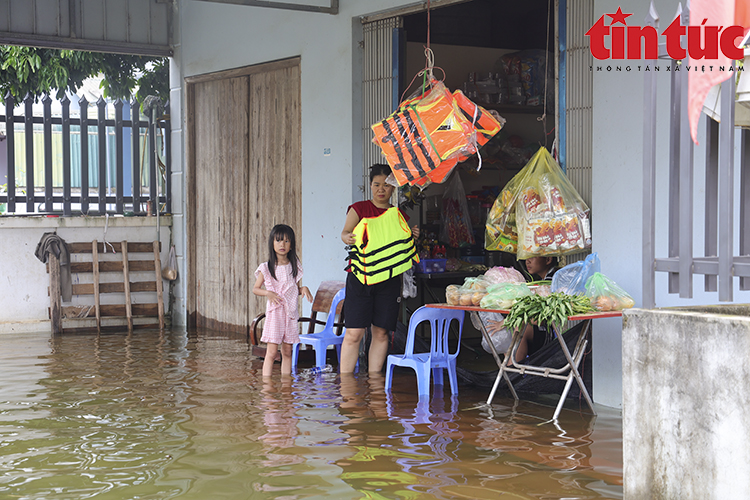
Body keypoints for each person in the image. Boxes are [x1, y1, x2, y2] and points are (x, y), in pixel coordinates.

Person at [339, 164, 420, 374]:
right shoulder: (359, 208)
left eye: (386, 185)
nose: (381, 189)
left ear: (393, 188)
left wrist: (412, 235)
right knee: (354, 333)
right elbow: (345, 232)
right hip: (360, 279)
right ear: (370, 186)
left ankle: (374, 382)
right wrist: (347, 236)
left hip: (389, 280)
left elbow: (403, 242)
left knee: (382, 333)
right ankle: (346, 386)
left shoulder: (397, 214)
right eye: (377, 184)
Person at [253, 224, 313, 377]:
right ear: (272, 243)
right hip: (275, 314)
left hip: (290, 314)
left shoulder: (294, 266)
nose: (282, 244)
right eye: (279, 240)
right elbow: (255, 288)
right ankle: (267, 389)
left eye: (286, 241)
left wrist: (303, 289)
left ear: (291, 245)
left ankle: (286, 387)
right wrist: (268, 293)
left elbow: (294, 290)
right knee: (272, 352)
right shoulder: (266, 267)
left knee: (287, 351)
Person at [514, 255, 559, 362]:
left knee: (519, 328)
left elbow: (537, 320)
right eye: (527, 257)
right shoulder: (544, 279)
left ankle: (511, 373)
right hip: (545, 331)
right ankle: (510, 370)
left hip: (551, 336)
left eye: (532, 257)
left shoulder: (551, 281)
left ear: (548, 259)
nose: (527, 261)